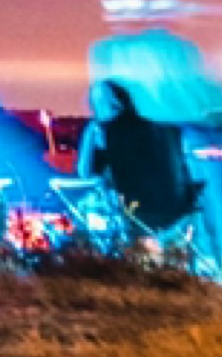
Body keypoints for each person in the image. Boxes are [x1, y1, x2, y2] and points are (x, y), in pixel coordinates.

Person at [82, 80, 199, 248]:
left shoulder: (108, 131)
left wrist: (90, 134)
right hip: (180, 211)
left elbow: (86, 173)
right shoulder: (168, 129)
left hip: (141, 215)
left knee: (90, 209)